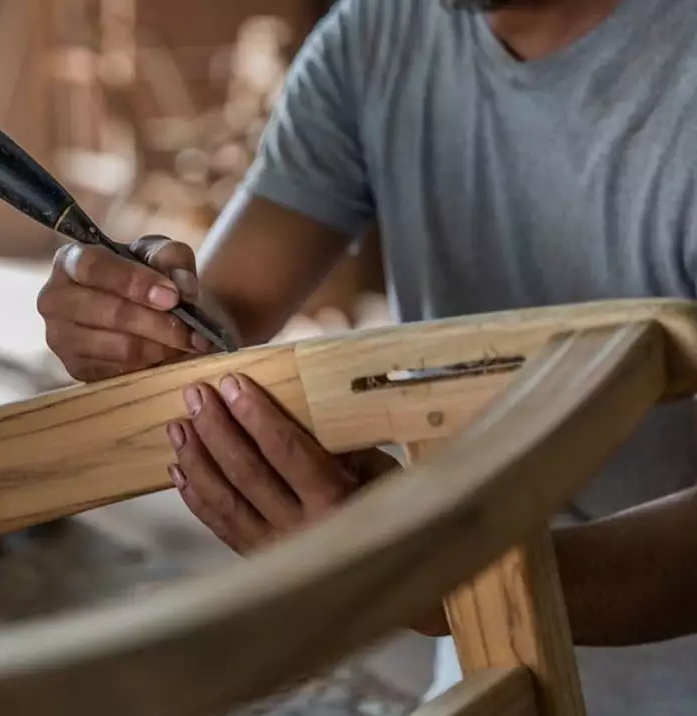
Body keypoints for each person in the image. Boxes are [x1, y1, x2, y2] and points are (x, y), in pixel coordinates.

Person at [34, 0, 697, 712]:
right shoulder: (379, 34)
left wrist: (453, 577)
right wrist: (142, 320)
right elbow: (229, 304)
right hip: (489, 675)